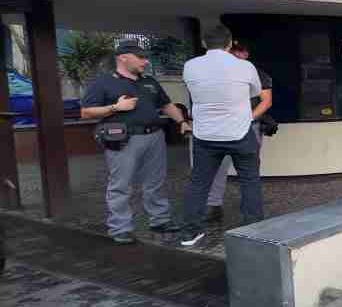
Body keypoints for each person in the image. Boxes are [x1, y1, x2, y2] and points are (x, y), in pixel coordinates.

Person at [81, 42, 191, 244]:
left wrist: (182, 122)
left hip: (154, 137)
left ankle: (160, 220)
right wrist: (115, 107)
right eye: (140, 57)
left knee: (155, 182)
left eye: (145, 57)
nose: (145, 61)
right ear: (123, 57)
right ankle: (120, 229)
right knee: (121, 185)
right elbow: (86, 112)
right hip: (124, 140)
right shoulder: (103, 83)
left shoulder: (149, 81)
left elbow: (166, 105)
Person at [179, 25, 263, 247]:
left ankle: (190, 233)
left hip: (205, 136)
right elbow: (255, 92)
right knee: (250, 181)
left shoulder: (190, 66)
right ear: (230, 43)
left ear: (204, 44)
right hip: (240, 133)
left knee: (198, 183)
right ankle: (253, 230)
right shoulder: (245, 66)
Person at [204, 42, 272, 223]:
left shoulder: (258, 74)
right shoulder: (217, 74)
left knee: (249, 171)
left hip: (248, 127)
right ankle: (213, 205)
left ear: (246, 55)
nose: (239, 58)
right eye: (235, 55)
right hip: (221, 126)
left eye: (241, 55)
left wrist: (247, 118)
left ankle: (250, 213)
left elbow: (266, 101)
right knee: (218, 167)